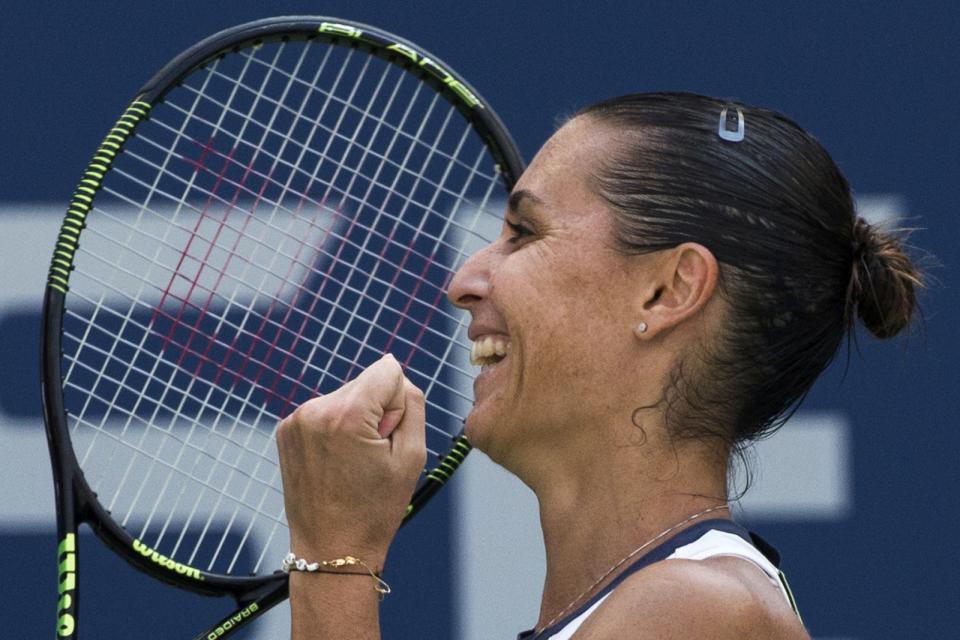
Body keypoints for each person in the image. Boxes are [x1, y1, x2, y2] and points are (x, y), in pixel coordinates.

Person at [276, 92, 922, 639]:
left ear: (668, 291)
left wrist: (335, 560)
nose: (465, 278)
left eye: (524, 233)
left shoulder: (698, 612)